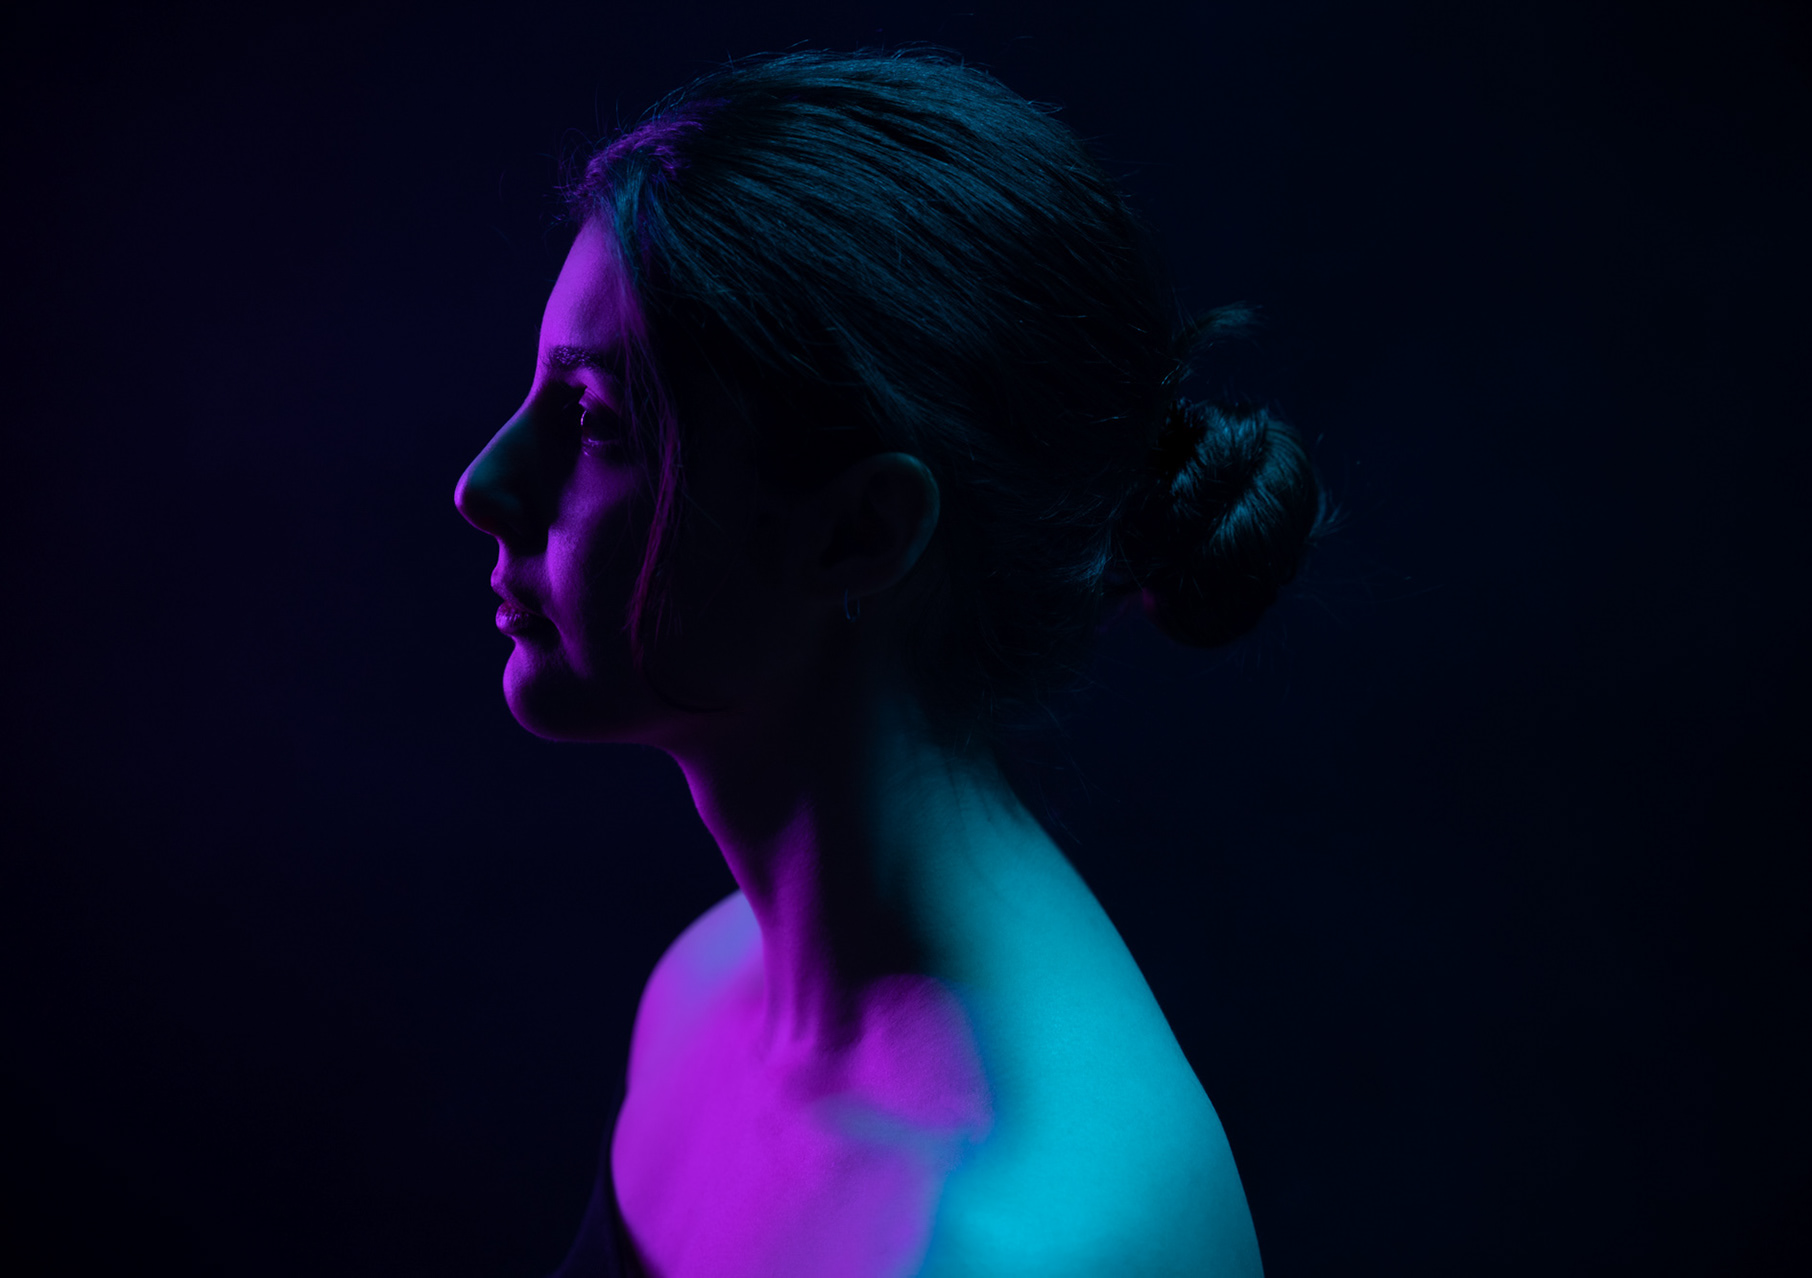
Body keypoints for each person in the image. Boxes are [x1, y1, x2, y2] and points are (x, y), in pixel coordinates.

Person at [454, 49, 1323, 1278]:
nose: (484, 485)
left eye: (595, 421)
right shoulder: (706, 990)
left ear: (859, 533)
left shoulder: (1022, 1241)